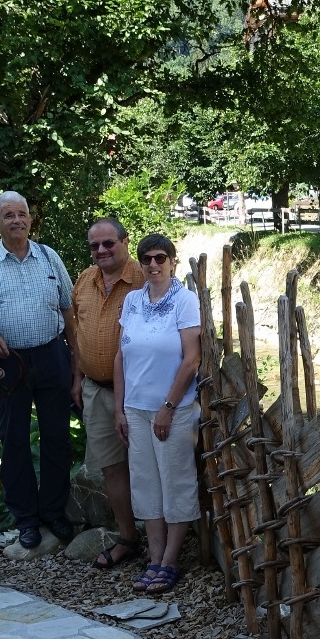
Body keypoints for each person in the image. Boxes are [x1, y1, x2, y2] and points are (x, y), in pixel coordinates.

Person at [0, 191, 78, 551]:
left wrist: (76, 361)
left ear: (30, 219)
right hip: (6, 363)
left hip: (51, 355)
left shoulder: (49, 256)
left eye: (22, 214)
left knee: (57, 437)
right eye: (9, 215)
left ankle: (54, 512)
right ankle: (26, 519)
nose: (17, 220)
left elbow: (68, 311)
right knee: (13, 441)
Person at [113, 233, 201, 594]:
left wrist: (168, 407)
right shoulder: (132, 301)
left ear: (172, 262)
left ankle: (170, 560)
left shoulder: (185, 301)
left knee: (175, 481)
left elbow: (191, 360)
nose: (153, 264)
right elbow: (121, 357)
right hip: (135, 409)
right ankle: (154, 557)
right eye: (147, 258)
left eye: (160, 258)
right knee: (145, 483)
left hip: (172, 411)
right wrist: (119, 409)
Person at [70, 216, 145, 568]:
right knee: (112, 469)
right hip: (96, 390)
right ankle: (128, 537)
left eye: (108, 243)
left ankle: (163, 544)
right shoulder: (85, 280)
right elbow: (77, 332)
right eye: (94, 245)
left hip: (140, 392)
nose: (101, 250)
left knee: (149, 466)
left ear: (125, 242)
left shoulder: (145, 279)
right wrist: (77, 378)